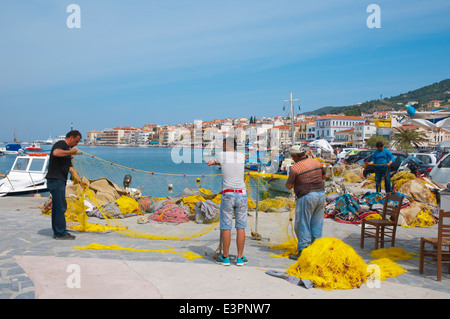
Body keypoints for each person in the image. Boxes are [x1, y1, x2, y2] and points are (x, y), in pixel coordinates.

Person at [206, 137, 248, 266]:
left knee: (226, 227)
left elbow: (218, 162)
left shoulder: (222, 155)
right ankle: (240, 258)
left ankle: (225, 257)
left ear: (226, 145)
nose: (221, 147)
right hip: (241, 194)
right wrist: (216, 163)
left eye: (223, 145)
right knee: (241, 227)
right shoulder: (241, 156)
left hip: (228, 194)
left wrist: (212, 162)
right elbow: (229, 163)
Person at [285, 145, 327, 260]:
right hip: (321, 195)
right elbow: (325, 176)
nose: (293, 159)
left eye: (293, 157)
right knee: (317, 223)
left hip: (307, 196)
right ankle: (316, 249)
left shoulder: (295, 168)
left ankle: (303, 251)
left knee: (302, 224)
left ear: (295, 156)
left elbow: (288, 186)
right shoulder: (316, 162)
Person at [46, 130, 86, 240]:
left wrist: (80, 181)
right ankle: (60, 233)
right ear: (71, 138)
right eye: (76, 141)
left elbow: (71, 169)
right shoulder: (61, 144)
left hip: (59, 180)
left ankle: (58, 230)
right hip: (55, 180)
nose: (77, 144)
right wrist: (71, 152)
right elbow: (55, 152)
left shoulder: (66, 151)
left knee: (58, 206)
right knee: (60, 206)